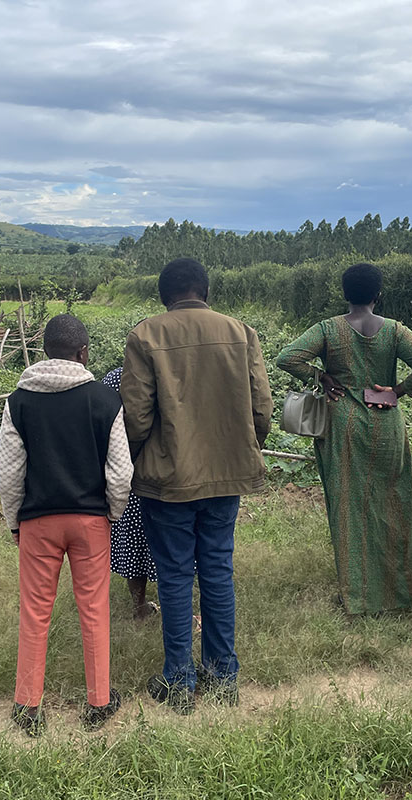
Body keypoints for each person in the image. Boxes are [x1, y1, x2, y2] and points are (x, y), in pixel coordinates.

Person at [120, 257, 272, 714]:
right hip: (226, 475)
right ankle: (223, 676)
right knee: (218, 570)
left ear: (164, 295)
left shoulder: (145, 335)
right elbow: (261, 407)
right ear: (205, 290)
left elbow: (136, 416)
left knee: (173, 575)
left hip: (167, 480)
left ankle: (179, 680)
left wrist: (136, 459)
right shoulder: (241, 332)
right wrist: (243, 449)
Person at [277, 263, 412, 615]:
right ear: (378, 295)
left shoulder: (328, 329)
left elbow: (287, 358)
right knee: (396, 505)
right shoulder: (396, 331)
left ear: (344, 294)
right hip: (387, 425)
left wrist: (322, 376)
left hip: (343, 423)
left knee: (348, 507)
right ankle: (404, 594)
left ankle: (358, 598)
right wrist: (397, 390)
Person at [0, 314, 132, 734]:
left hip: (38, 522)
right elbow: (122, 472)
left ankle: (27, 706)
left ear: (44, 351)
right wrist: (110, 513)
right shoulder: (105, 401)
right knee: (94, 609)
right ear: (83, 351)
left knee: (35, 611)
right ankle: (99, 702)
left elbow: (8, 473)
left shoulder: (19, 401)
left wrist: (15, 521)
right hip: (91, 521)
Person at [102, 366, 158, 620]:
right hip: (167, 472)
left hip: (128, 471)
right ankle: (174, 609)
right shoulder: (172, 372)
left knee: (134, 541)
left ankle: (139, 607)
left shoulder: (116, 379)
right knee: (175, 543)